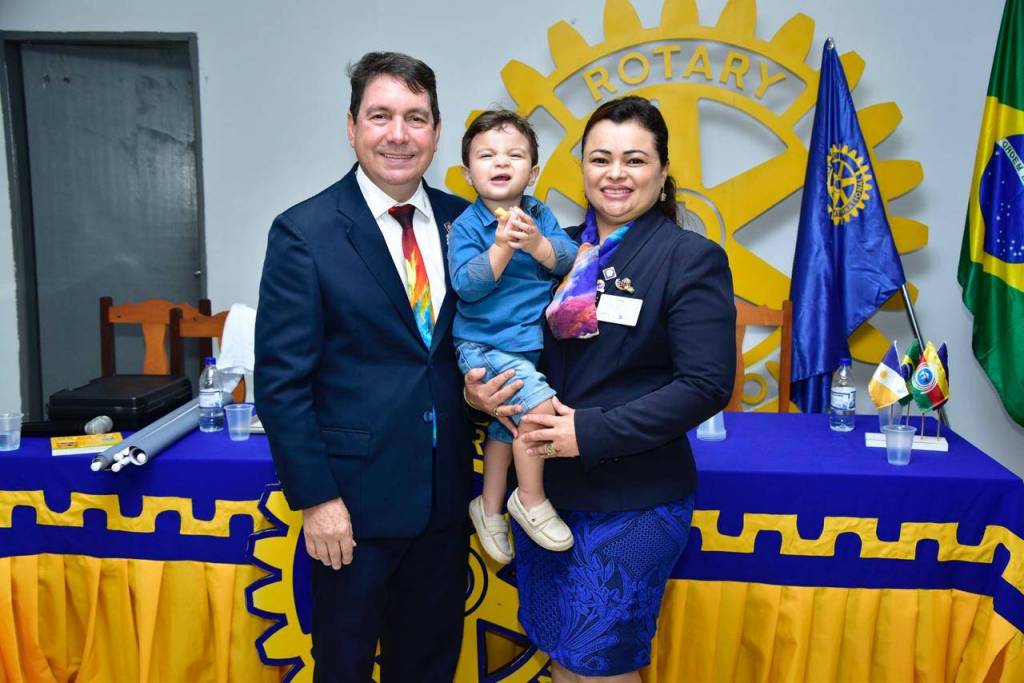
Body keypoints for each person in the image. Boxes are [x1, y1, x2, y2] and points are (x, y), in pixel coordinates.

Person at [466, 96, 736, 682]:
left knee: (600, 667)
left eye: (635, 160)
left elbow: (705, 385)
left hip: (631, 499)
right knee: (563, 659)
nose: (616, 174)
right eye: (600, 159)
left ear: (663, 170)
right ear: (582, 168)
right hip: (542, 498)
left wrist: (586, 432)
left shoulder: (689, 259)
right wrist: (477, 393)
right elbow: (496, 335)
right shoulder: (546, 248)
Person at [254, 52, 473, 682]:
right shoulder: (305, 232)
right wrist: (317, 499)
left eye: (416, 118)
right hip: (351, 510)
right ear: (351, 127)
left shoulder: (468, 223)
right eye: (380, 116)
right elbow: (282, 383)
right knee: (344, 668)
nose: (398, 134)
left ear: (436, 131)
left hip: (445, 501)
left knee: (430, 667)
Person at [449, 110, 579, 564]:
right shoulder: (466, 226)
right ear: (469, 174)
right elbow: (466, 285)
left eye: (514, 155)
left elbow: (568, 259)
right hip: (484, 345)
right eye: (487, 155)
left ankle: (488, 508)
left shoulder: (539, 214)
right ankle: (530, 498)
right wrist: (503, 246)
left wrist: (538, 245)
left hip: (526, 347)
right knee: (538, 413)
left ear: (534, 172)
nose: (501, 162)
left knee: (504, 430)